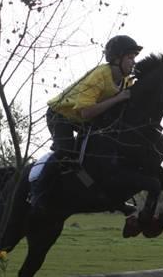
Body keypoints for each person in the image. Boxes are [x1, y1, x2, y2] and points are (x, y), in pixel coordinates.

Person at [29, 35, 143, 212]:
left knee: (98, 155)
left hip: (85, 119)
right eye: (130, 58)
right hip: (61, 115)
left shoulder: (126, 80)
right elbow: (86, 111)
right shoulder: (99, 76)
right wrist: (118, 98)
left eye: (134, 58)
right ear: (116, 59)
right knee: (66, 153)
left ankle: (108, 197)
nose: (133, 62)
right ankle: (36, 194)